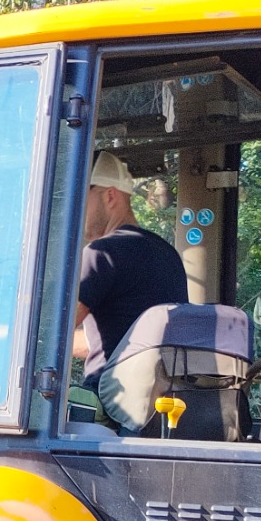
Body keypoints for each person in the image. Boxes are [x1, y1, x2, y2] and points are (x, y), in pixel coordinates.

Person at [74, 152, 187, 379]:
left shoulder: (101, 254)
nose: (74, 207)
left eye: (80, 196)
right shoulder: (168, 255)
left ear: (110, 196)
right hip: (159, 402)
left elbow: (52, 332)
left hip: (109, 401)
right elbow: (101, 343)